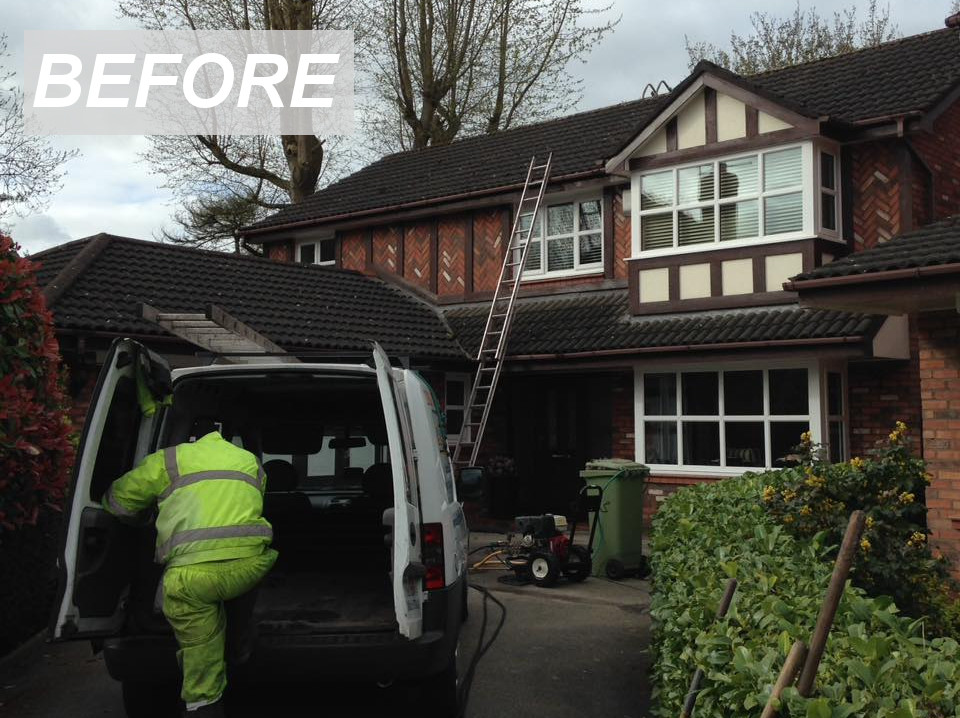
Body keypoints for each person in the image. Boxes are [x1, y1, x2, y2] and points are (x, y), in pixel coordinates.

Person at [102, 419, 277, 717]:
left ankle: (203, 703)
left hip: (192, 580)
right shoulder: (249, 461)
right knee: (240, 576)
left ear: (187, 437)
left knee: (201, 654)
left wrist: (142, 519)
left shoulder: (167, 460)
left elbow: (117, 504)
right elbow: (252, 501)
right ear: (220, 435)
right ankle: (238, 642)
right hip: (249, 567)